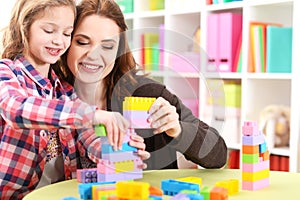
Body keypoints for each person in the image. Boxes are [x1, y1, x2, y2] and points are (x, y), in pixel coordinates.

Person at [0, 0, 147, 199]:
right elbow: (15, 109)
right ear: (25, 27)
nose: (59, 41)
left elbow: (88, 138)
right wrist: (93, 115)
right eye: (49, 30)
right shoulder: (6, 73)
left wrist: (120, 150)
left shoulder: (65, 91)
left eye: (67, 33)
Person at [56, 0, 228, 170]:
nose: (93, 55)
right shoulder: (51, 98)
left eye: (107, 46)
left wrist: (178, 129)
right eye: (82, 42)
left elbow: (219, 154)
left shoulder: (147, 93)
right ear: (67, 43)